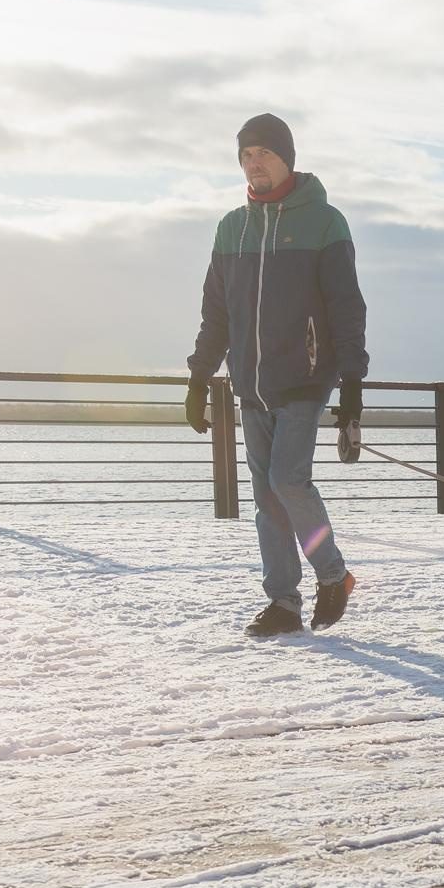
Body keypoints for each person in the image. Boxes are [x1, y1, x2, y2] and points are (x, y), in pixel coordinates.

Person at [185, 113, 368, 636]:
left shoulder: (324, 222)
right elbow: (216, 315)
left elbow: (346, 306)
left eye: (263, 152)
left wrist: (352, 384)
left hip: (306, 377)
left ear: (286, 157)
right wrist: (200, 377)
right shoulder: (230, 228)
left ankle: (332, 574)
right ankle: (284, 604)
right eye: (245, 155)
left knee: (288, 480)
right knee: (267, 497)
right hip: (251, 382)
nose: (253, 162)